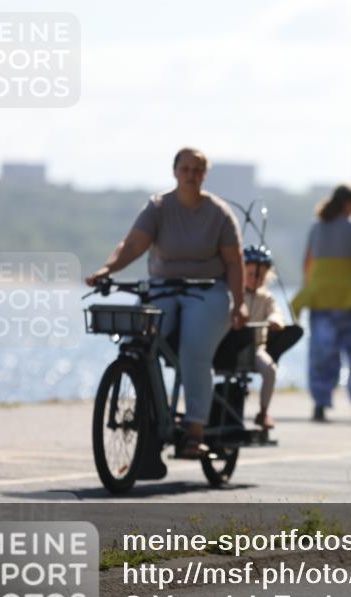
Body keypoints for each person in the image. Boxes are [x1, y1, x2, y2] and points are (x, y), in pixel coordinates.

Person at [85, 147, 247, 458]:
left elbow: (234, 262)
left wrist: (239, 303)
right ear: (175, 172)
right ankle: (148, 414)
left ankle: (195, 429)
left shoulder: (219, 213)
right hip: (163, 288)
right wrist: (107, 269)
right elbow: (132, 244)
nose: (191, 175)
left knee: (193, 350)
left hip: (208, 290)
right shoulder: (159, 207)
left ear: (205, 175)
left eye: (197, 170)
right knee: (139, 338)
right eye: (185, 169)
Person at [292, 184, 351, 422]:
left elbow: (307, 263)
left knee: (322, 354)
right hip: (347, 300)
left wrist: (311, 286)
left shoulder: (316, 227)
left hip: (320, 299)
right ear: (349, 203)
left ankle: (320, 403)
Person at [243, 245, 285, 431]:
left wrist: (274, 320)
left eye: (260, 276)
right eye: (250, 274)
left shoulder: (266, 298)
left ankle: (263, 411)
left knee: (270, 370)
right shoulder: (235, 294)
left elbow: (276, 314)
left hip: (255, 348)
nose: (254, 279)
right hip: (231, 346)